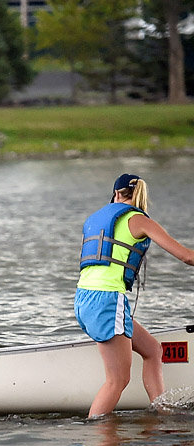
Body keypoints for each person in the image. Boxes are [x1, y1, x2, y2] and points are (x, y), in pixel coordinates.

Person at [75, 173, 194, 418]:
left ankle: (162, 412)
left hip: (84, 299)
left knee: (152, 349)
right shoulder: (139, 220)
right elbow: (187, 256)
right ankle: (96, 438)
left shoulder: (96, 218)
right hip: (108, 300)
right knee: (117, 381)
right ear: (141, 194)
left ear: (116, 194)